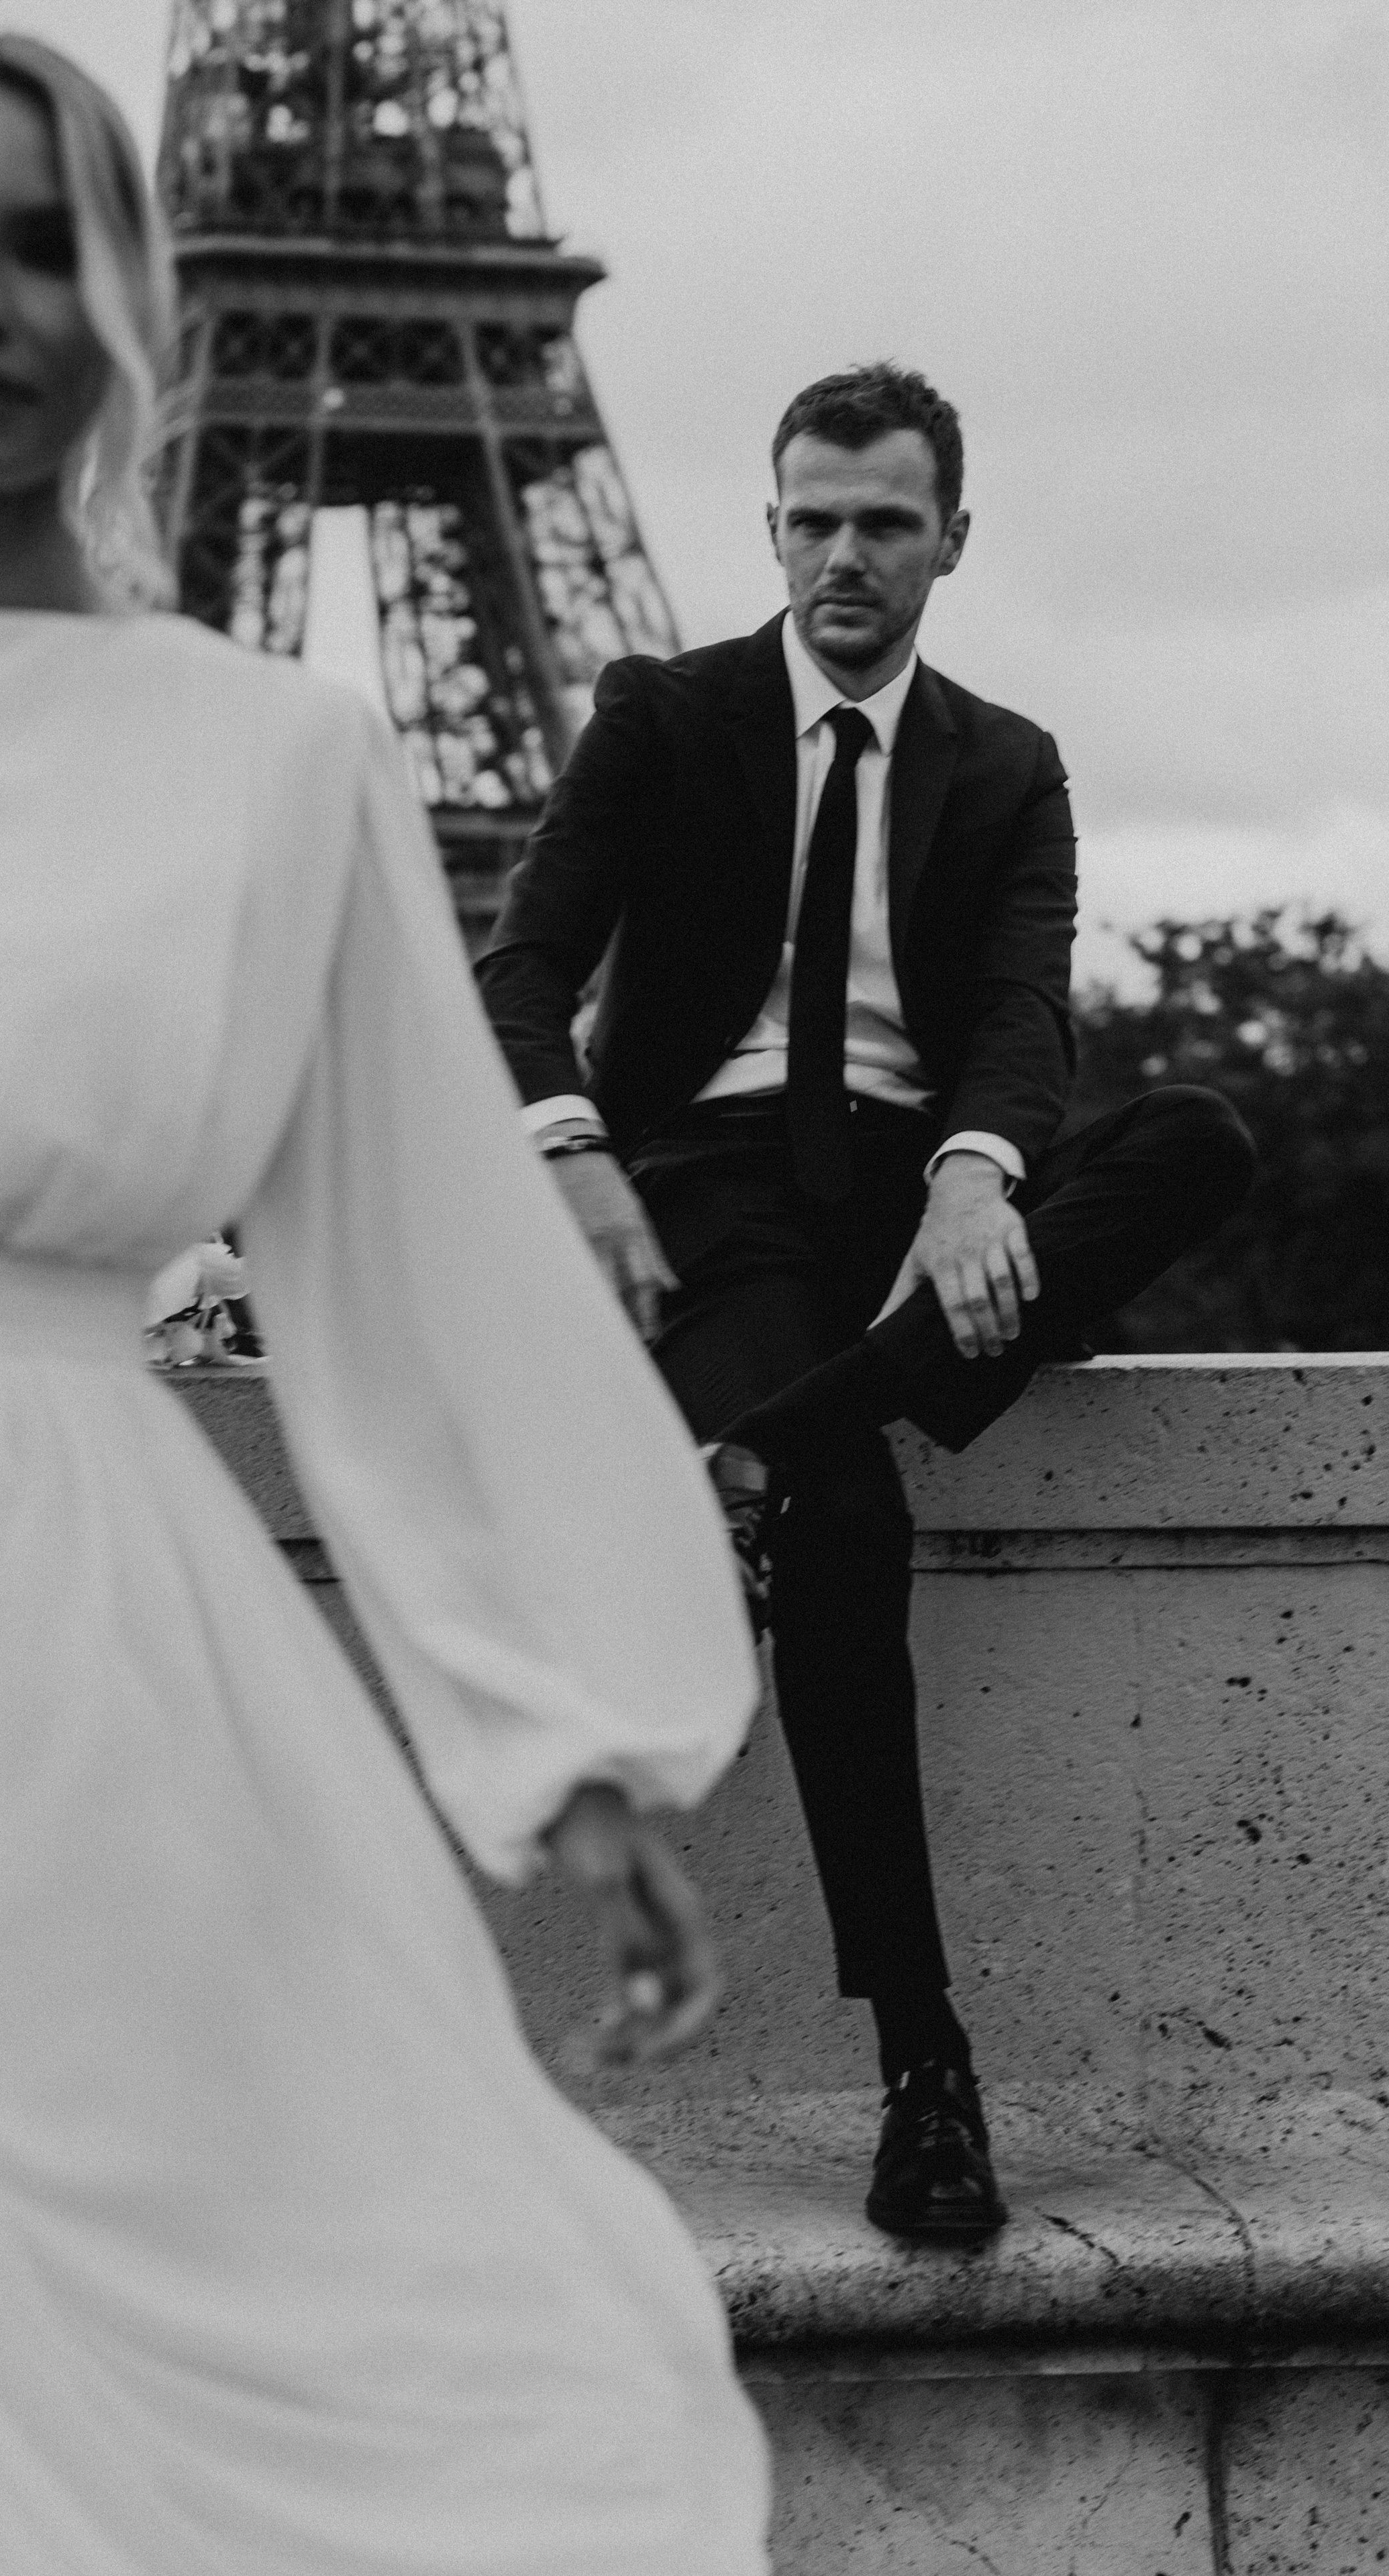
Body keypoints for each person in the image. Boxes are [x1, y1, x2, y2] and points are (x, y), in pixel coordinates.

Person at [0, 36, 773, 2573]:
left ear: (142, 294)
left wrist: (582, 1735)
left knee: (295, 2383)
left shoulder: (278, 765)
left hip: (81, 1716)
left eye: (44, 240)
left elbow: (424, 1276)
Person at [476, 363, 1256, 2243]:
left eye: (884, 523)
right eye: (813, 520)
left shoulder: (1009, 765)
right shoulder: (663, 719)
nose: (844, 556)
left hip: (915, 1206)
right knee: (853, 1520)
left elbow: (1020, 1017)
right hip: (711, 1205)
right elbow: (517, 974)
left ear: (951, 542)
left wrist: (981, 1171)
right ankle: (925, 2054)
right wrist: (575, 1155)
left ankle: (777, 1430)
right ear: (772, 529)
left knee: (1202, 1136)